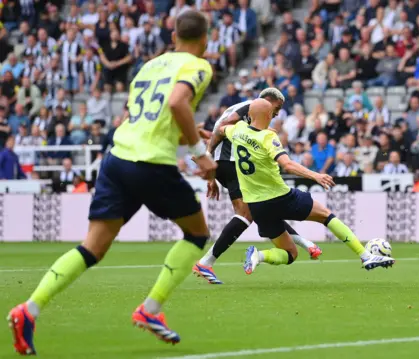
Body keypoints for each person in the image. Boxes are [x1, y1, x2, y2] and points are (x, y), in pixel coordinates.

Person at [8, 11, 217, 354]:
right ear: (205, 40)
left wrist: (190, 134)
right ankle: (150, 309)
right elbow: (177, 102)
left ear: (172, 35)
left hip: (116, 158)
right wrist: (198, 152)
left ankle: (29, 310)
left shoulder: (150, 66)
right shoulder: (198, 65)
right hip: (150, 164)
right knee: (197, 235)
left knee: (93, 246)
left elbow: (147, 120)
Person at [210, 99, 395, 274]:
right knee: (326, 215)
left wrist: (207, 152)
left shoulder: (238, 130)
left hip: (256, 206)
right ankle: (365, 256)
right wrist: (316, 175)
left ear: (248, 116)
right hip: (279, 197)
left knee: (290, 253)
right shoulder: (268, 137)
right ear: (268, 115)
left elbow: (222, 128)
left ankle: (258, 255)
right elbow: (288, 165)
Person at [193, 88, 322, 285]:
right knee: (247, 213)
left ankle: (305, 243)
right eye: (276, 108)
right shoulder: (248, 108)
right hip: (230, 162)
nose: (276, 113)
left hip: (226, 162)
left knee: (260, 206)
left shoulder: (242, 111)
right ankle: (206, 262)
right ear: (267, 102)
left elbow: (223, 129)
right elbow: (222, 128)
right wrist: (208, 163)